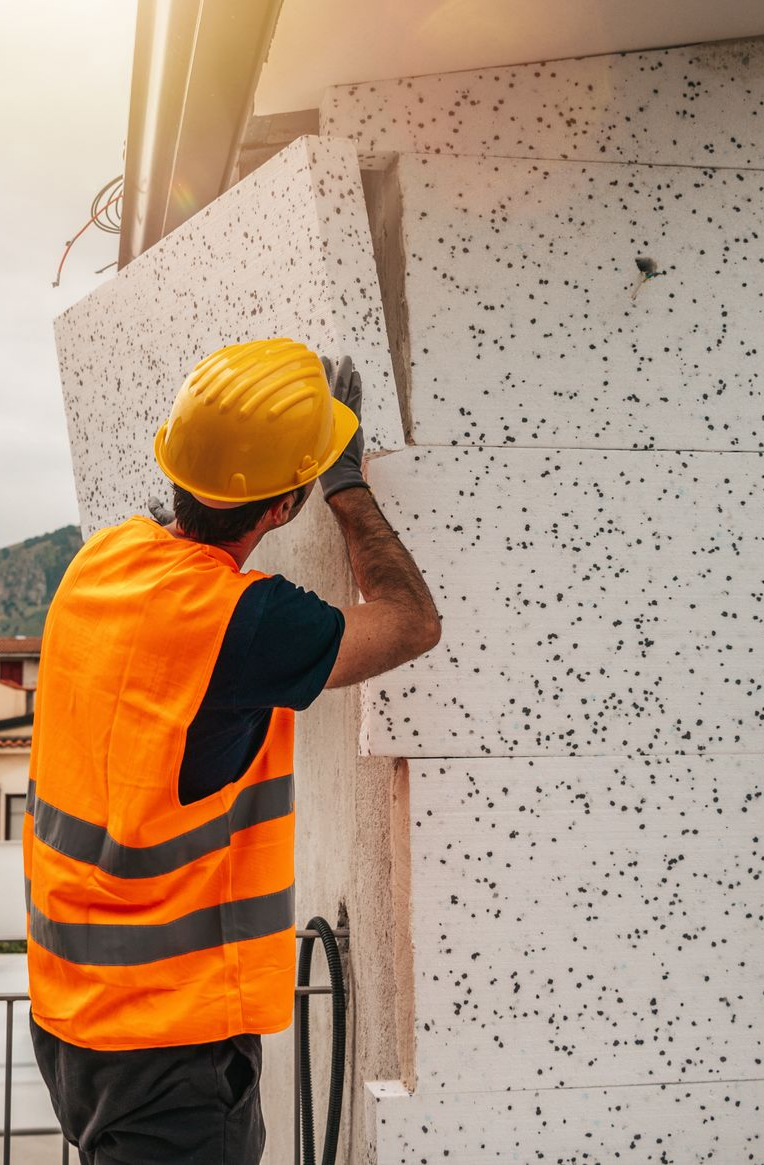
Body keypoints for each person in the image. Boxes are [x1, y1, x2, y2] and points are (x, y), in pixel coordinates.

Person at [23, 337, 440, 1165]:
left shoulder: (99, 561)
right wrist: (346, 480)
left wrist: (270, 438)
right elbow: (411, 620)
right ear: (281, 509)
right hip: (168, 1051)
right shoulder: (242, 623)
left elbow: (184, 517)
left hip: (70, 1020)